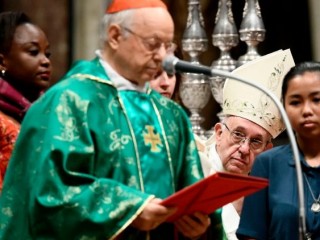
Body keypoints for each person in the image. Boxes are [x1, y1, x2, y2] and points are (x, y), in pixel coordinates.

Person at [0, 1, 211, 239]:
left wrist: (199, 228)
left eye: (166, 46)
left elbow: (194, 194)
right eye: (152, 45)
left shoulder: (171, 115)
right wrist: (129, 208)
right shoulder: (69, 102)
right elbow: (49, 195)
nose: (162, 57)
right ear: (114, 36)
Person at [197, 49, 295, 240]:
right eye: (238, 135)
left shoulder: (271, 190)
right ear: (219, 133)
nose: (243, 148)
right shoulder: (195, 170)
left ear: (267, 150)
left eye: (256, 141)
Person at [236, 61, 320, 240]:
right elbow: (252, 235)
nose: (306, 110)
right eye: (296, 102)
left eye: (317, 100)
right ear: (284, 108)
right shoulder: (268, 164)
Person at [0, 11, 52, 191]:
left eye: (48, 54)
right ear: (2, 61)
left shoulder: (49, 113)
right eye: (33, 52)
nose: (45, 61)